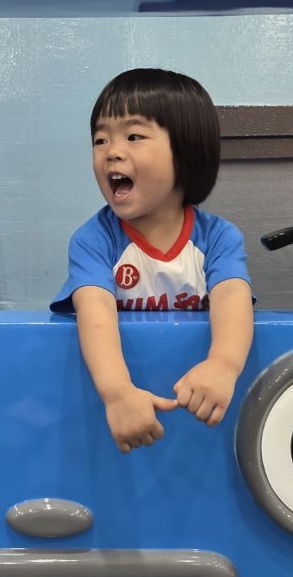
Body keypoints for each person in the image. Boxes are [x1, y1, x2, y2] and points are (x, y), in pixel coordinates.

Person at [52, 68, 254, 454]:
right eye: (100, 139)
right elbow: (94, 312)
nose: (112, 151)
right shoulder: (94, 241)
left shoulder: (218, 238)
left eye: (133, 136)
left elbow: (232, 296)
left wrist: (223, 365)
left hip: (196, 423)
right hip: (117, 414)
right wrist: (116, 393)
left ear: (186, 151)